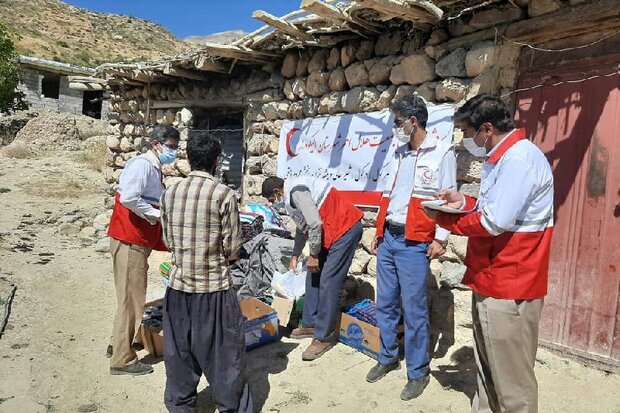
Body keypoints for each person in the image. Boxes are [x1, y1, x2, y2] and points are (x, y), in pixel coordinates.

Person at [429, 95, 554, 413]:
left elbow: (494, 221)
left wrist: (446, 220)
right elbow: (495, 210)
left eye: (467, 132)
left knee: (512, 379)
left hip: (510, 281)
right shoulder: (503, 157)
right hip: (492, 277)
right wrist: (463, 202)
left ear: (487, 128)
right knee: (489, 366)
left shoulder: (518, 159)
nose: (465, 140)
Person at [367, 95, 457, 401]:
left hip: (414, 242)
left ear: (412, 121)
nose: (395, 128)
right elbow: (387, 194)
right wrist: (378, 230)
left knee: (415, 309)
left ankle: (418, 372)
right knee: (386, 303)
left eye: (397, 122)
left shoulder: (441, 152)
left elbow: (449, 200)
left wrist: (441, 238)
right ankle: (388, 356)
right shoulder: (397, 153)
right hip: (389, 238)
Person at [160, 131, 253, 413]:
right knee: (224, 357)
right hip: (213, 291)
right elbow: (232, 246)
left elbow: (167, 241)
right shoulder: (224, 195)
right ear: (216, 161)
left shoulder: (170, 192)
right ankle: (230, 407)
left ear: (188, 158)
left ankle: (180, 406)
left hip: (178, 289)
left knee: (179, 357)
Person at [261, 176, 363, 360]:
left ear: (277, 192)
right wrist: (295, 255)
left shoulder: (296, 192)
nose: (274, 204)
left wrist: (314, 255)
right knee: (312, 274)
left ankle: (324, 336)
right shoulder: (291, 200)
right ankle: (311, 323)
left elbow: (315, 223)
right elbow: (303, 228)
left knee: (329, 281)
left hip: (345, 228)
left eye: (272, 200)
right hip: (330, 231)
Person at [106, 125, 180, 376]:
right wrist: (157, 216)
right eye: (170, 146)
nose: (173, 151)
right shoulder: (142, 165)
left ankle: (120, 342)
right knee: (131, 300)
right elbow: (128, 197)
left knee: (131, 297)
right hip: (129, 238)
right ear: (156, 144)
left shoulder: (154, 168)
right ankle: (122, 359)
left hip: (137, 239)